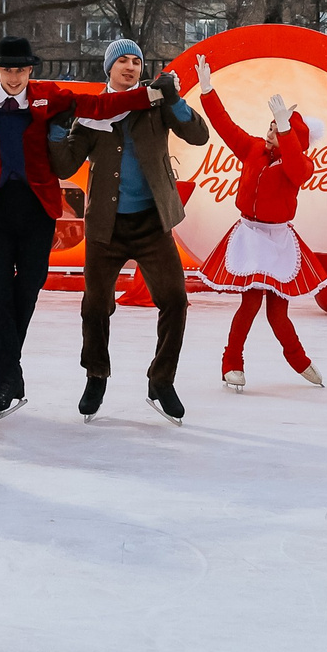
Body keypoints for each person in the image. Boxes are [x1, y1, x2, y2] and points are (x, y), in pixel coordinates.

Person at [0, 38, 159, 417]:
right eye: (8, 69)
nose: (15, 76)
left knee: (30, 285)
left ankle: (9, 369)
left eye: (21, 69)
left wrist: (145, 96)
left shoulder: (49, 96)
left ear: (30, 70)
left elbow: (99, 104)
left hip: (38, 208)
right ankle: (4, 379)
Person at [49, 39, 208, 423]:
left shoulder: (154, 102)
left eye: (136, 60)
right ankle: (96, 374)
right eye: (122, 60)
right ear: (109, 68)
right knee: (96, 305)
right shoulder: (93, 113)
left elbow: (198, 135)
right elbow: (65, 164)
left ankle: (161, 380)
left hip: (152, 222)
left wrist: (174, 100)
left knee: (174, 299)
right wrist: (56, 127)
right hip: (107, 224)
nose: (130, 66)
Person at [192, 59, 327, 391]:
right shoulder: (253, 148)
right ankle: (231, 363)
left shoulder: (301, 164)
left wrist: (286, 128)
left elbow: (295, 169)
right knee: (250, 303)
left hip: (278, 241)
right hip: (250, 236)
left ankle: (299, 360)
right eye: (271, 124)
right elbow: (225, 125)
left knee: (278, 314)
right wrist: (208, 91)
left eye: (278, 127)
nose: (271, 130)